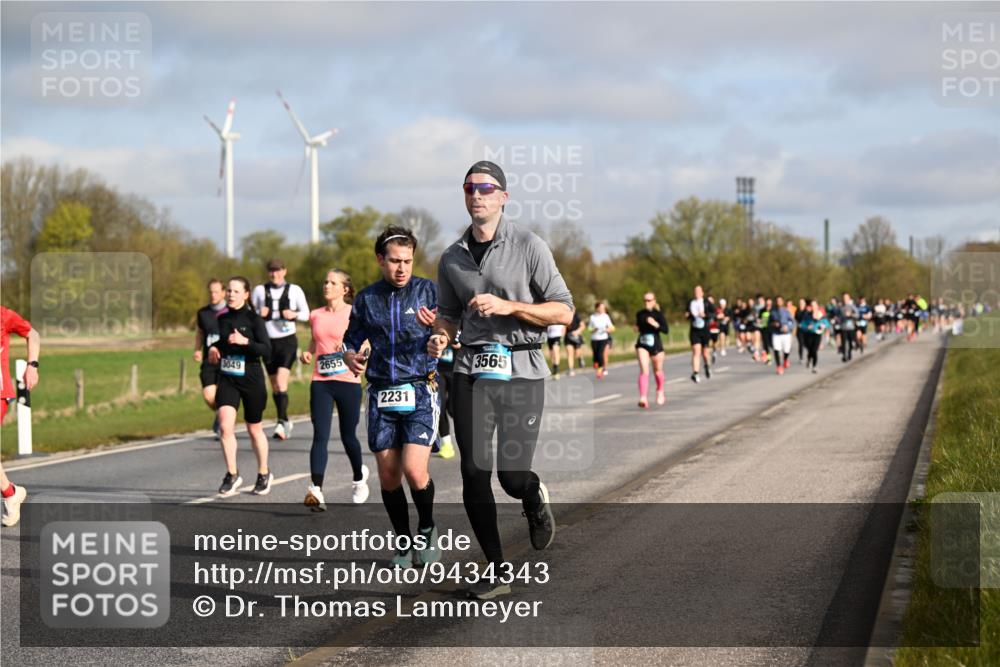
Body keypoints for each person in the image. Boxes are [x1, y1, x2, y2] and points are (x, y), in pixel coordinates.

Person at [430, 160, 573, 600]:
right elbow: (449, 315)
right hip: (471, 371)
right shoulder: (451, 257)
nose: (478, 195)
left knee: (510, 477)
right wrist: (440, 335)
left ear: (503, 197)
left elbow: (563, 311)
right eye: (470, 188)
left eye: (487, 189)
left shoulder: (530, 245)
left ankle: (531, 494)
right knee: (473, 472)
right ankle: (495, 568)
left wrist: (511, 307)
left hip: (522, 371)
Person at [343, 226, 441, 569]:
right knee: (388, 477)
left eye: (408, 261)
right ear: (380, 260)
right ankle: (402, 541)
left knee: (415, 471)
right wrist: (350, 356)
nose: (402, 268)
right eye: (395, 261)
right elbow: (350, 339)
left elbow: (449, 329)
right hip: (382, 393)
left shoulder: (428, 291)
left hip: (419, 388)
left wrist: (439, 337)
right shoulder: (367, 299)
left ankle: (426, 529)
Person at [300, 269, 370, 510]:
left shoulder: (354, 313)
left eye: (332, 282)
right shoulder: (315, 314)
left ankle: (359, 479)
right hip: (321, 381)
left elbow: (366, 343)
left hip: (348, 381)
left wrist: (363, 358)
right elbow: (316, 338)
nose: (326, 285)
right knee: (320, 434)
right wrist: (309, 351)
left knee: (348, 436)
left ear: (345, 289)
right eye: (325, 281)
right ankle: (316, 489)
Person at [206, 277, 273, 496]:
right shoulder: (222, 318)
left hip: (251, 377)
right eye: (229, 291)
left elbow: (266, 350)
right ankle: (232, 474)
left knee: (254, 428)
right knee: (226, 426)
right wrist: (214, 349)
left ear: (246, 295)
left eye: (236, 291)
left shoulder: (254, 319)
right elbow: (221, 342)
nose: (231, 294)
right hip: (228, 377)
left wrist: (246, 342)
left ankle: (263, 473)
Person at [252, 258, 310, 441]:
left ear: (285, 271)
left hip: (287, 342)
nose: (274, 274)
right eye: (271, 271)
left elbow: (306, 314)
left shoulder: (295, 290)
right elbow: (249, 314)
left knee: (281, 381)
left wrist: (293, 314)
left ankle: (281, 422)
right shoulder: (260, 291)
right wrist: (258, 314)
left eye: (278, 270)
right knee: (274, 385)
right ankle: (284, 419)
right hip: (268, 342)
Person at [1, 306, 40, 527]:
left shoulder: (3, 315)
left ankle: (10, 493)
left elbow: (32, 333)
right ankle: (10, 493)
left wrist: (32, 365)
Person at [194, 279, 228, 439]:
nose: (213, 295)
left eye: (216, 291)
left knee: (224, 394)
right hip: (209, 360)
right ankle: (220, 414)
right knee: (209, 395)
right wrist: (197, 350)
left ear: (223, 292)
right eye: (211, 292)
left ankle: (224, 422)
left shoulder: (231, 311)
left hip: (227, 359)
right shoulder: (203, 313)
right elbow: (200, 333)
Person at [634, 292, 669, 408]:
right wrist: (636, 328)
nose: (647, 302)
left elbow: (666, 330)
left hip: (656, 345)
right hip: (642, 343)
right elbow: (638, 327)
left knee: (657, 370)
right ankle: (643, 397)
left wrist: (655, 324)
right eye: (645, 300)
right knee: (644, 370)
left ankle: (660, 390)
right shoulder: (640, 314)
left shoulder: (658, 314)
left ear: (654, 301)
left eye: (649, 300)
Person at [687, 285, 712, 382]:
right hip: (694, 330)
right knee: (696, 351)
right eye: (695, 291)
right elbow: (687, 314)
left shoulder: (706, 303)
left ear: (702, 293)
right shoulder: (691, 303)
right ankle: (695, 373)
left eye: (698, 291)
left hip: (705, 329)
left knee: (705, 353)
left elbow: (713, 313)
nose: (696, 293)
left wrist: (705, 315)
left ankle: (707, 366)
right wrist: (688, 315)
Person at [800, 300, 830, 373]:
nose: (813, 307)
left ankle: (814, 366)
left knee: (814, 350)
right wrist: (807, 327)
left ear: (817, 306)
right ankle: (809, 359)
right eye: (812, 305)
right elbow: (802, 324)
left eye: (815, 305)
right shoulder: (807, 315)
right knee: (810, 349)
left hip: (817, 334)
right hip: (808, 334)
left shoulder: (821, 315)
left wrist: (823, 326)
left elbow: (827, 324)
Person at [769, 296, 795, 375]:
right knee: (776, 349)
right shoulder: (772, 312)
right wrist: (774, 324)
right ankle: (779, 366)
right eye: (777, 301)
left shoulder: (786, 311)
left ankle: (785, 359)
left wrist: (788, 327)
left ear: (782, 302)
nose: (778, 302)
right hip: (776, 334)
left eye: (780, 301)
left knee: (786, 350)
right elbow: (769, 323)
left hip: (785, 334)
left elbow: (792, 322)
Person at [588, 302, 614, 379]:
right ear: (597, 308)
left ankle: (600, 371)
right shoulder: (592, 317)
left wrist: (608, 329)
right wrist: (593, 330)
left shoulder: (606, 316)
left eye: (603, 308)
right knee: (595, 356)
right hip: (594, 338)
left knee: (600, 354)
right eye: (601, 308)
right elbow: (589, 329)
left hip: (603, 338)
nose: (602, 309)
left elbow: (612, 327)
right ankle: (597, 364)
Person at [564, 312, 585, 377]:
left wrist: (577, 332)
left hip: (576, 337)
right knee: (569, 353)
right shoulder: (565, 315)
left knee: (577, 353)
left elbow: (583, 326)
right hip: (568, 337)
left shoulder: (577, 316)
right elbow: (563, 327)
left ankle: (580, 358)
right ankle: (571, 369)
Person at [839, 293, 858, 362]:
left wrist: (851, 314)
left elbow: (857, 315)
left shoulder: (852, 306)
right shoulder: (841, 307)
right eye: (844, 298)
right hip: (843, 327)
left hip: (851, 327)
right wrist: (837, 319)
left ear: (849, 298)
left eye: (846, 298)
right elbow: (838, 316)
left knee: (850, 342)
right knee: (843, 342)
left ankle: (849, 353)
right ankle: (844, 355)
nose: (845, 299)